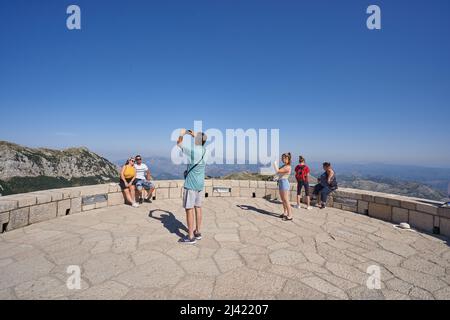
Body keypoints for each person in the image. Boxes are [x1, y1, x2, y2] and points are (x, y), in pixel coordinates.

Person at [177, 128, 208, 244]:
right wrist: (195, 135)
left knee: (189, 209)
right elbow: (202, 141)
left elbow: (179, 144)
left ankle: (190, 237)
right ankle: (197, 232)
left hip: (191, 184)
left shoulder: (193, 151)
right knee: (198, 207)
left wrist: (182, 134)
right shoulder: (206, 151)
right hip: (200, 184)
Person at [274, 153, 293, 221]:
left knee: (286, 200)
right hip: (281, 182)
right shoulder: (284, 165)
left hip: (284, 183)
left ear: (288, 159)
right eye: (283, 158)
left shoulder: (288, 167)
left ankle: (290, 215)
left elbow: (278, 170)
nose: (283, 159)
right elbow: (279, 173)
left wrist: (274, 163)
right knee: (283, 200)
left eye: (285, 158)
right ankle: (285, 213)